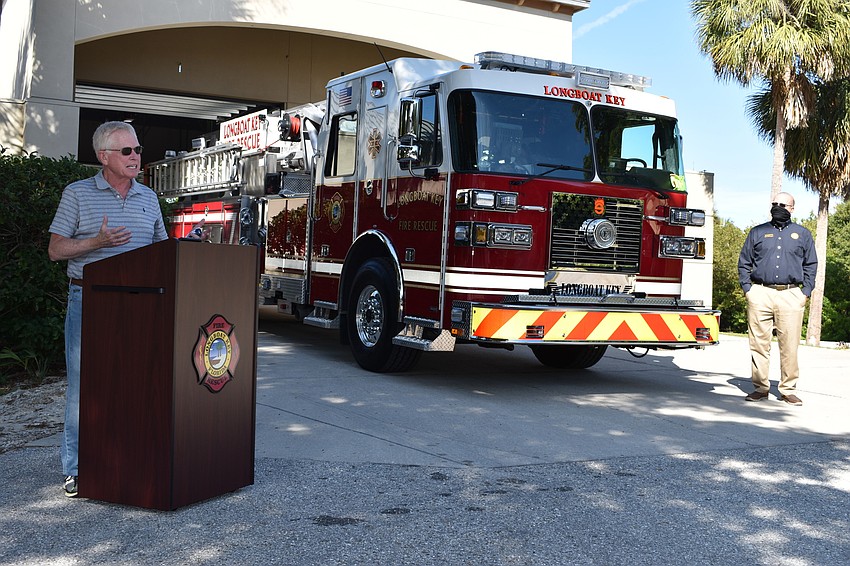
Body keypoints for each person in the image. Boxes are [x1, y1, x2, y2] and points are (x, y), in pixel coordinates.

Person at [48, 121, 203, 497]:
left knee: (138, 382)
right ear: (104, 157)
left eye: (137, 150)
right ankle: (77, 469)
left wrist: (190, 244)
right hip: (90, 300)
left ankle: (131, 457)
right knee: (84, 386)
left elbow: (160, 251)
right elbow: (55, 250)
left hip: (142, 303)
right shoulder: (77, 194)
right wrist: (96, 242)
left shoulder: (148, 198)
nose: (137, 157)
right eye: (127, 151)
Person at [737, 191, 817, 406]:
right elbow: (744, 262)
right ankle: (760, 388)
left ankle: (788, 389)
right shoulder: (758, 232)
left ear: (792, 208)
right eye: (775, 204)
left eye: (783, 204)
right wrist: (748, 289)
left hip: (791, 294)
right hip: (760, 293)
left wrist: (805, 292)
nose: (778, 207)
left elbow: (811, 264)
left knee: (789, 345)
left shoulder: (802, 234)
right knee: (759, 344)